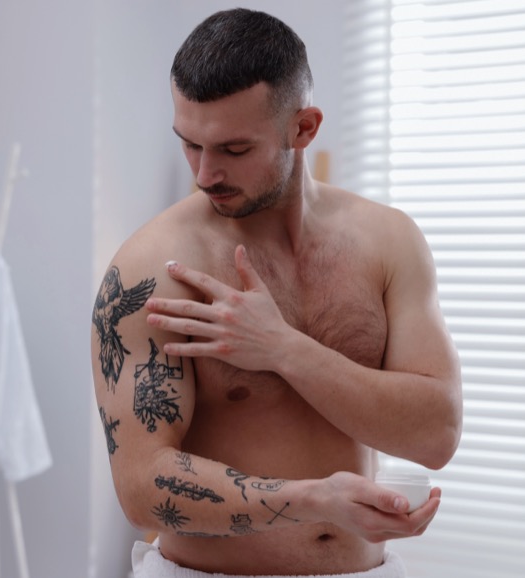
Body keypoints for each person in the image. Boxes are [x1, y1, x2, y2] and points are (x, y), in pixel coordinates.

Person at [91, 8, 462, 578]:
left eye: (234, 150)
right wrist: (314, 500)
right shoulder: (154, 269)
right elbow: (142, 489)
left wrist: (284, 350)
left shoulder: (389, 241)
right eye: (190, 145)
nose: (204, 174)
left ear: (304, 128)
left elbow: (436, 435)